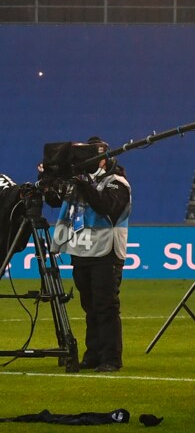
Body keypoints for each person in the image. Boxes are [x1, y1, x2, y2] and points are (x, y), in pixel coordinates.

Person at [51, 139, 130, 372]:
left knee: (105, 306)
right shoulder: (77, 181)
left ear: (103, 160)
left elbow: (106, 207)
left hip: (106, 251)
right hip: (81, 250)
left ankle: (111, 358)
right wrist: (51, 178)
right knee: (90, 307)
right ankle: (93, 354)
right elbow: (53, 200)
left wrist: (85, 184)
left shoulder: (117, 183)